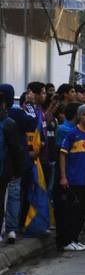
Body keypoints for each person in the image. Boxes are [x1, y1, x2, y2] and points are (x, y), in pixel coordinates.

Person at [57, 104, 85, 252]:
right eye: (84, 114)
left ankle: (75, 239)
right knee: (72, 211)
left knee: (81, 212)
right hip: (73, 179)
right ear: (79, 116)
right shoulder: (72, 134)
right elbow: (63, 154)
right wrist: (63, 176)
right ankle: (68, 240)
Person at [0, 84, 26, 246]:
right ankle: (10, 229)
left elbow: (16, 150)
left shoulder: (9, 123)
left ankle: (9, 229)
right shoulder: (9, 122)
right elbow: (16, 150)